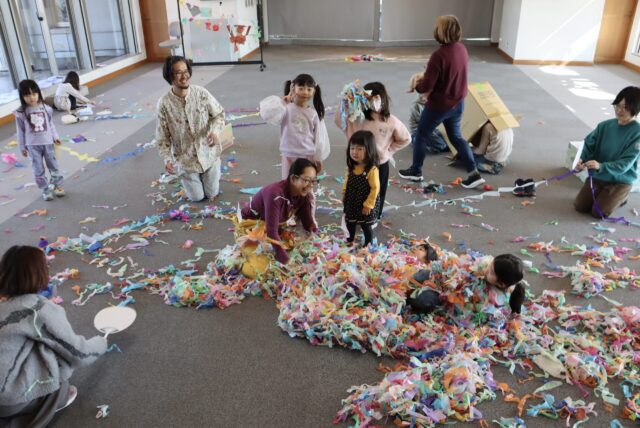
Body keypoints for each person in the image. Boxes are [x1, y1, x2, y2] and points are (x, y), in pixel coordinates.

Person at [0, 246, 107, 427]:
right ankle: (42, 405)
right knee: (57, 360)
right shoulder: (39, 309)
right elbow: (78, 353)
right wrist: (101, 342)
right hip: (8, 402)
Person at [399, 15, 485, 189]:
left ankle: (416, 171)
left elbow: (426, 86)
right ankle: (474, 173)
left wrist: (417, 85)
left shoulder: (438, 56)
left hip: (440, 106)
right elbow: (450, 75)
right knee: (456, 137)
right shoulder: (462, 49)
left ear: (440, 32)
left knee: (421, 135)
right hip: (458, 103)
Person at [335, 82, 410, 220]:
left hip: (379, 163)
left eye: (376, 98)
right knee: (354, 190)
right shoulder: (356, 117)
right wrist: (345, 103)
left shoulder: (390, 121)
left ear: (383, 99)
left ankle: (374, 216)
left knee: (377, 191)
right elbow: (339, 120)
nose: (371, 102)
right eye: (368, 98)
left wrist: (388, 151)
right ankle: (353, 214)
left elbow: (405, 138)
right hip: (357, 163)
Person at [156, 55, 226, 202]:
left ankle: (213, 169)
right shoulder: (164, 104)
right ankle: (191, 179)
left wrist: (215, 132)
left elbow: (219, 114)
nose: (184, 76)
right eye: (178, 73)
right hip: (186, 160)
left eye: (186, 71)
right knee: (196, 197)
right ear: (169, 76)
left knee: (211, 194)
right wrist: (167, 159)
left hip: (208, 153)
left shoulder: (201, 93)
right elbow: (162, 137)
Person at [574, 86, 640, 218]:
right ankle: (605, 194)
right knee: (580, 206)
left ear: (636, 109)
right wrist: (581, 161)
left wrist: (601, 166)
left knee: (598, 212)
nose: (619, 110)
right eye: (617, 105)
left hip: (620, 180)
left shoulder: (637, 132)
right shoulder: (604, 126)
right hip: (599, 175)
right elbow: (588, 145)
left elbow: (625, 164)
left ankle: (623, 195)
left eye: (626, 107)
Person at [240, 158, 318, 264]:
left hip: (273, 227)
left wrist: (319, 239)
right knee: (263, 265)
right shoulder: (275, 194)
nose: (311, 185)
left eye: (313, 181)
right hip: (251, 228)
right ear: (293, 178)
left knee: (296, 248)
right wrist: (286, 262)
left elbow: (308, 223)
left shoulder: (303, 196)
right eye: (307, 180)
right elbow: (271, 232)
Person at [260, 73, 330, 179]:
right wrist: (283, 102)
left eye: (309, 89)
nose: (305, 92)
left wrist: (318, 158)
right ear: (293, 88)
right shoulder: (285, 108)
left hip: (307, 155)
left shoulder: (313, 113)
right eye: (301, 88)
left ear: (314, 91)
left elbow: (319, 137)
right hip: (288, 154)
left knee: (305, 182)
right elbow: (267, 114)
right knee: (288, 182)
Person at [15, 79, 64, 201]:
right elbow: (20, 131)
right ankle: (45, 189)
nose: (31, 97)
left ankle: (57, 185)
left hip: (48, 143)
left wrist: (55, 137)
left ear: (38, 93)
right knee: (38, 169)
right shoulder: (21, 112)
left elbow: (51, 124)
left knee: (53, 165)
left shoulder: (46, 108)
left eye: (34, 94)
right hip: (32, 146)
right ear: (22, 97)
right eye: (27, 95)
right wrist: (22, 147)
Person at [343, 130, 380, 246]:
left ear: (369, 150)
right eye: (352, 148)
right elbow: (347, 181)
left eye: (359, 149)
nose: (355, 152)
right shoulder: (351, 167)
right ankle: (350, 239)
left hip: (365, 203)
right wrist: (344, 194)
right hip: (352, 200)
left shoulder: (372, 170)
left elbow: (375, 188)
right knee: (350, 222)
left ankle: (368, 244)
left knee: (365, 225)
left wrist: (368, 204)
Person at [407, 73, 448, 154]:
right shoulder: (417, 106)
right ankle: (416, 141)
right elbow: (424, 125)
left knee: (445, 135)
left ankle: (437, 144)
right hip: (419, 130)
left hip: (433, 128)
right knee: (441, 144)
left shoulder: (434, 100)